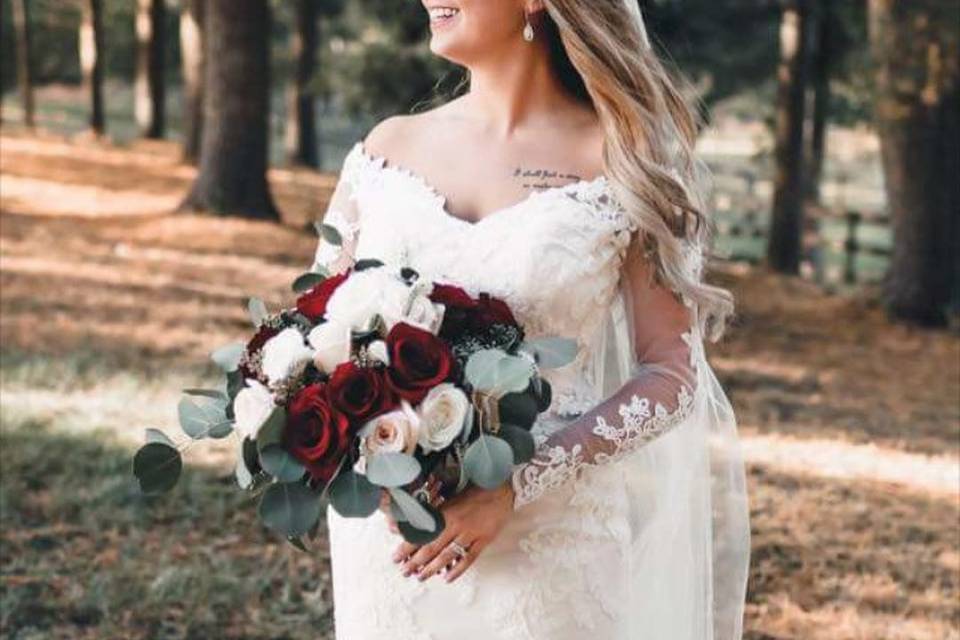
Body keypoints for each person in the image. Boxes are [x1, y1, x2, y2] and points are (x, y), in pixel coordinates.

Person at [312, 1, 751, 638]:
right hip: (391, 540)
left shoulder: (623, 159)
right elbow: (313, 337)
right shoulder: (385, 151)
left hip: (549, 538)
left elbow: (672, 375)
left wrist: (515, 485)